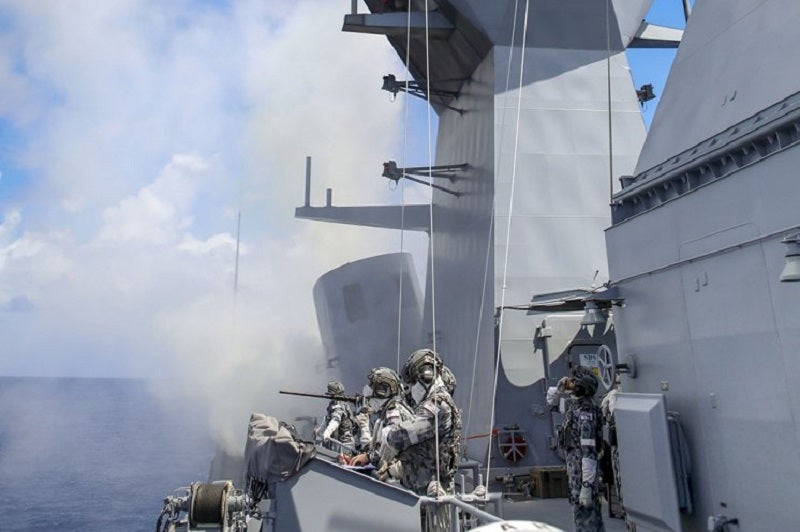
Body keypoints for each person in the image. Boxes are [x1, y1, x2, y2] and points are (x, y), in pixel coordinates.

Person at [547, 367, 605, 532]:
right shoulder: (575, 406)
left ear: (580, 387)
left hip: (582, 472)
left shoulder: (585, 412)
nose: (569, 382)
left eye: (573, 381)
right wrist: (558, 390)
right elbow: (552, 404)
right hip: (576, 470)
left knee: (585, 517)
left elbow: (589, 451)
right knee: (587, 515)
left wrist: (587, 485)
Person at [344, 367, 413, 482]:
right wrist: (356, 458)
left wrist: (367, 457)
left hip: (397, 479)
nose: (369, 389)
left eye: (372, 385)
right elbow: (376, 449)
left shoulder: (394, 413)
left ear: (382, 390)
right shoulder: (385, 414)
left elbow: (390, 448)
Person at [319, 380, 356, 453]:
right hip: (337, 443)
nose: (330, 397)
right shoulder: (333, 404)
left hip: (345, 444)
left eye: (332, 395)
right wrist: (319, 431)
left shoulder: (339, 407)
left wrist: (327, 432)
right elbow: (327, 419)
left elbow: (336, 421)